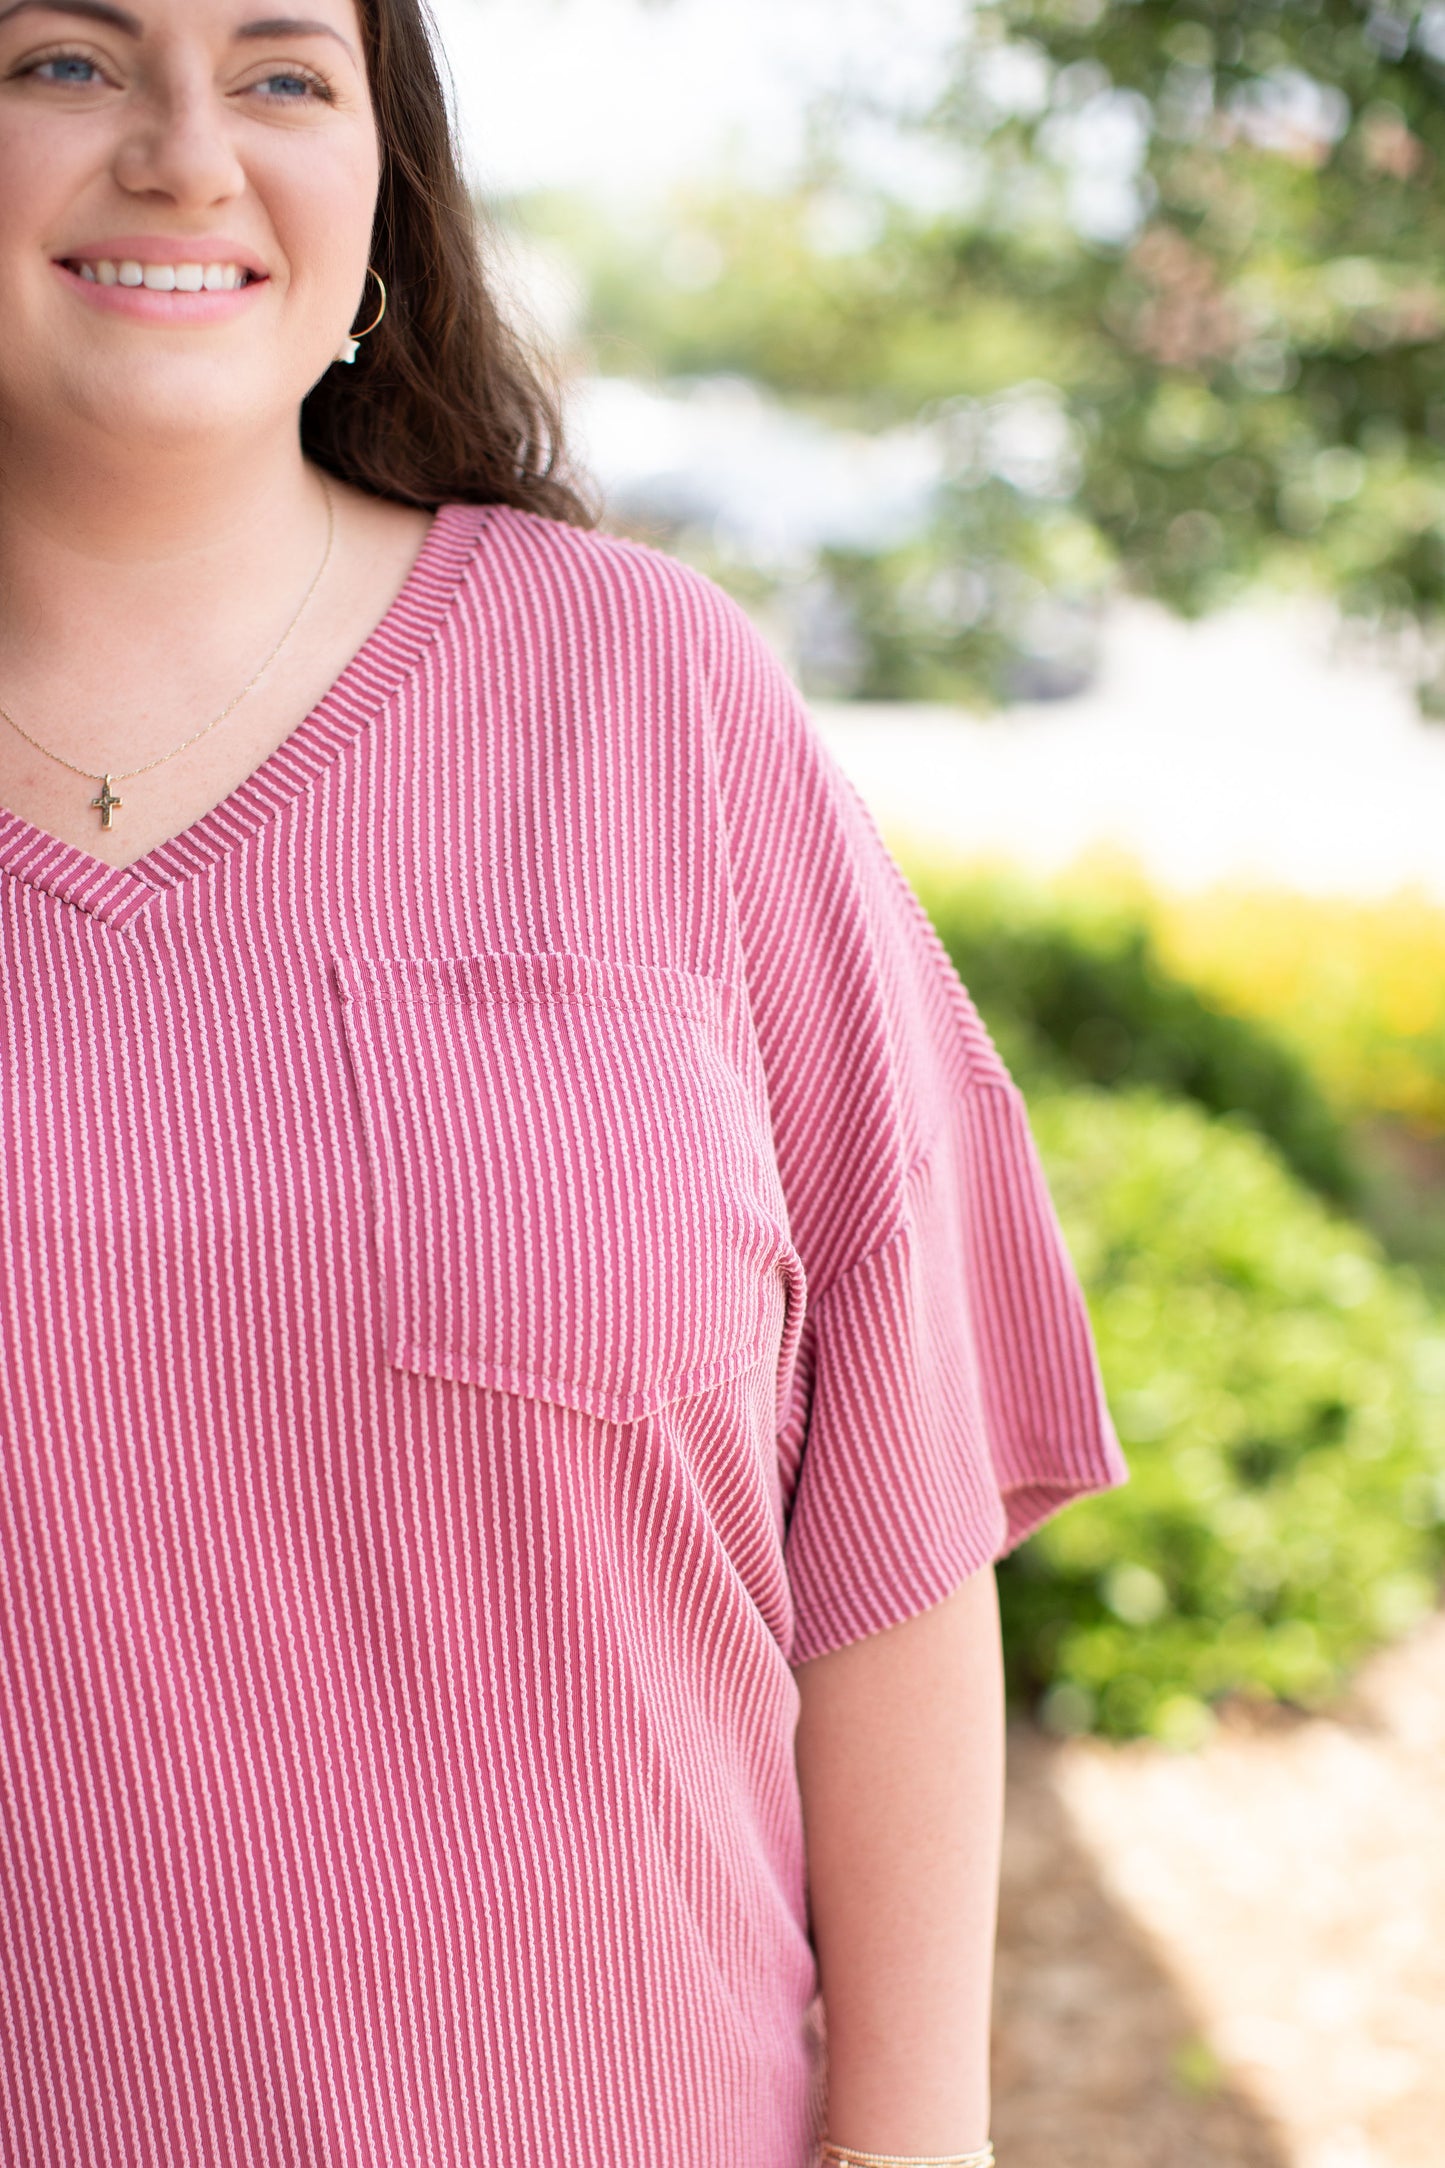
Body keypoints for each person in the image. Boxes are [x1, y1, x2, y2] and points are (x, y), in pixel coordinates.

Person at [0, 3, 1130, 2164]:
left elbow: (888, 1516)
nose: (177, 149)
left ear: (386, 198)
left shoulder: (648, 697)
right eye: (62, 61)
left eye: (278, 73)